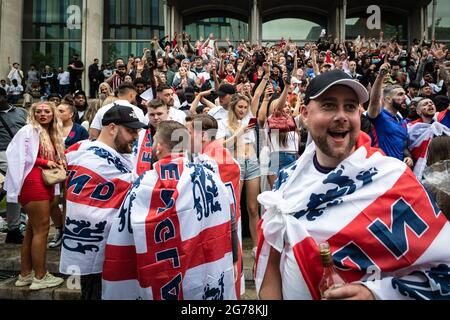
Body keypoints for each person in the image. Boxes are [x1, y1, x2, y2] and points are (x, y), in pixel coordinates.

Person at [256, 70, 450, 300]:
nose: (341, 116)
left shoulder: (393, 178)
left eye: (349, 107)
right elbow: (272, 269)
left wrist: (376, 294)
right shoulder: (286, 181)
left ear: (359, 114)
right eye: (328, 106)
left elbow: (443, 268)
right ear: (305, 114)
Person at [102, 121, 236, 300]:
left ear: (158, 147)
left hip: (161, 272)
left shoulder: (144, 184)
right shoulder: (210, 177)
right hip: (200, 271)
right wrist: (234, 257)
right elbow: (229, 218)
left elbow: (124, 231)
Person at [60, 105, 147, 300]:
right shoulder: (93, 157)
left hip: (102, 246)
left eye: (137, 131)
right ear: (113, 128)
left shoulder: (80, 148)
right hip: (96, 249)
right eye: (131, 130)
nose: (135, 136)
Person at [5, 101, 65, 290]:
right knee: (42, 231)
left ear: (53, 114)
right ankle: (40, 277)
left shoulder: (51, 132)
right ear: (33, 114)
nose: (43, 114)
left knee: (32, 231)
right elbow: (18, 154)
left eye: (47, 111)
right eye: (38, 111)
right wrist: (45, 162)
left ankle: (25, 274)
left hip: (43, 183)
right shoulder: (29, 130)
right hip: (33, 183)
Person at [186, 114, 243, 297]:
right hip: (229, 226)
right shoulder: (219, 154)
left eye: (189, 132)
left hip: (220, 230)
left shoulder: (208, 161)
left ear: (203, 135)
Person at [218, 93, 260, 258]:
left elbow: (256, 97)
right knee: (235, 208)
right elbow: (220, 144)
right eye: (240, 107)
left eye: (245, 107)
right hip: (236, 164)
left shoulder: (249, 119)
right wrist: (239, 133)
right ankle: (235, 248)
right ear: (233, 107)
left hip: (253, 163)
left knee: (253, 208)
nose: (243, 110)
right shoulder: (224, 123)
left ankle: (256, 247)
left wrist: (266, 75)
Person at [367, 66, 413, 166]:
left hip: (398, 170)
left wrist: (408, 156)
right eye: (400, 94)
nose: (404, 97)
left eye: (404, 94)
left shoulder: (403, 122)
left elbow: (403, 146)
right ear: (388, 99)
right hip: (380, 169)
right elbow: (374, 101)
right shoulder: (379, 116)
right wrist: (380, 76)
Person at [0, 88, 27, 244]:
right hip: (3, 153)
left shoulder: (21, 112)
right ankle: (14, 229)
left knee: (12, 189)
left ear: (4, 97)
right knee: (13, 185)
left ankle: (13, 229)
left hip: (21, 153)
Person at [131, 98, 169, 176]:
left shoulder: (177, 131)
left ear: (167, 113)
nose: (155, 117)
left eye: (159, 114)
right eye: (152, 114)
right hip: (147, 177)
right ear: (147, 115)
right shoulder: (141, 134)